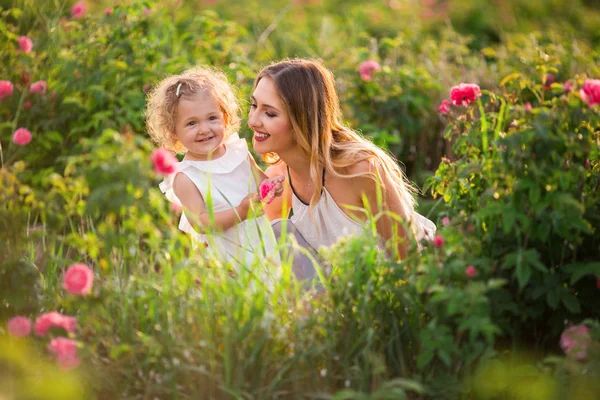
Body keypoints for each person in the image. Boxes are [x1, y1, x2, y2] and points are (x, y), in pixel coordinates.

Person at [247, 58, 435, 267]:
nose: (253, 121)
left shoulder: (358, 171)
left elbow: (409, 257)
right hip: (339, 292)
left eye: (270, 113)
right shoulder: (278, 178)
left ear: (303, 119)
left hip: (397, 283)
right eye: (254, 105)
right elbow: (262, 251)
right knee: (277, 232)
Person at [146, 67, 284, 269]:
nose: (204, 129)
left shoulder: (238, 153)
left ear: (225, 118)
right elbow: (200, 223)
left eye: (212, 118)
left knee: (269, 289)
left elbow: (260, 183)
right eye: (191, 123)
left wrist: (271, 186)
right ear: (173, 132)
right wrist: (241, 212)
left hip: (259, 243)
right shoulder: (186, 177)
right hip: (223, 257)